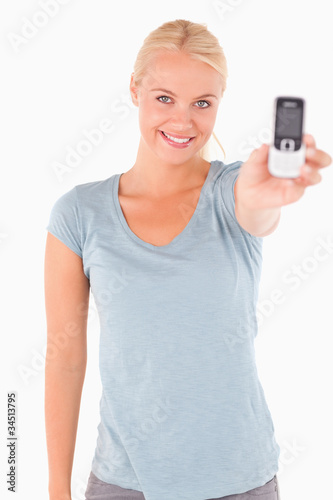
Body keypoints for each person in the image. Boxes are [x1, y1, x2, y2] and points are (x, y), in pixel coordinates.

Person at [44, 19, 331, 500]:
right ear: (134, 90)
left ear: (219, 103)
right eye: (164, 98)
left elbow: (257, 211)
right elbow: (64, 357)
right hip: (123, 484)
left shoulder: (233, 190)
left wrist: (269, 193)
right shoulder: (79, 214)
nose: (182, 121)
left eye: (203, 103)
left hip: (241, 483)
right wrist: (57, 489)